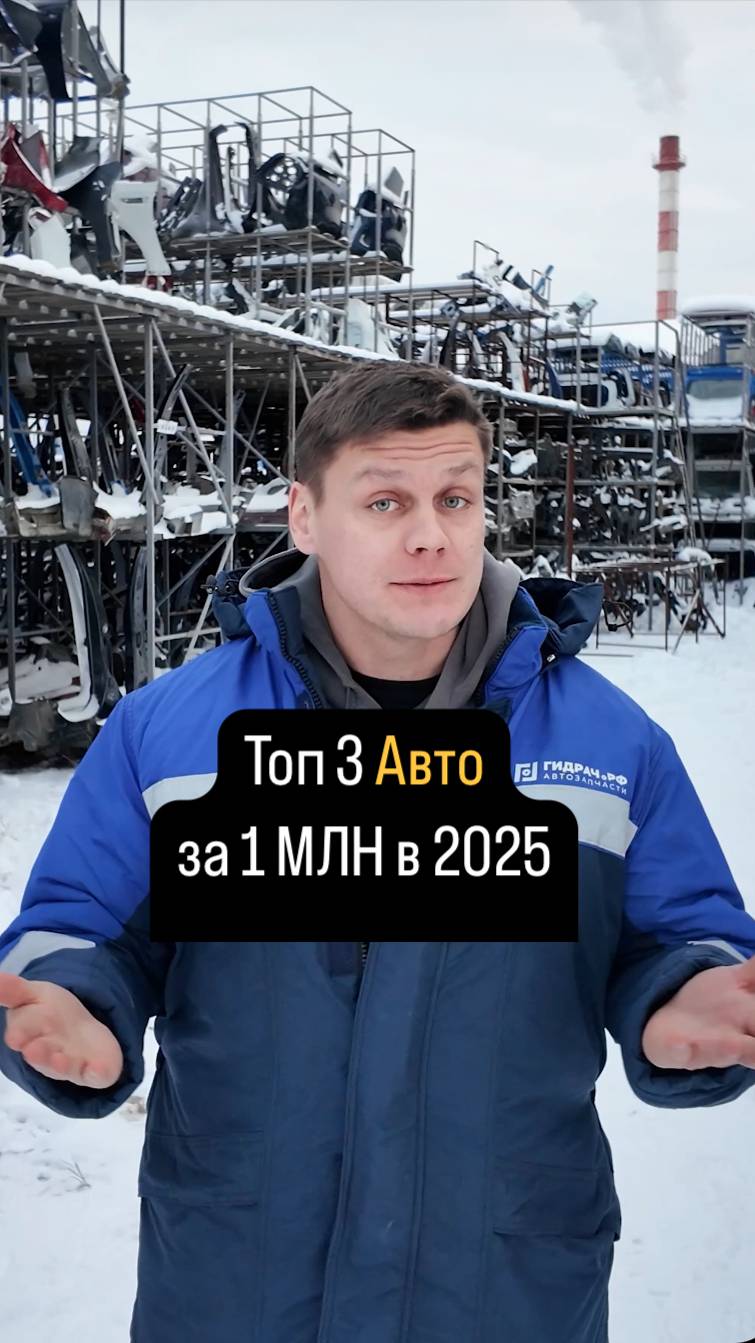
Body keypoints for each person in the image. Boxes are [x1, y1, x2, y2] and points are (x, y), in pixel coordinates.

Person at [1, 362, 754, 1343]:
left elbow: (681, 932)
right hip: (241, 1289)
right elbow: (81, 925)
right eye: (385, 501)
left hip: (500, 1292)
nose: (430, 534)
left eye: (455, 498)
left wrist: (684, 990)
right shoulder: (170, 736)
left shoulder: (609, 746)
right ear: (304, 517)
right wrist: (72, 994)